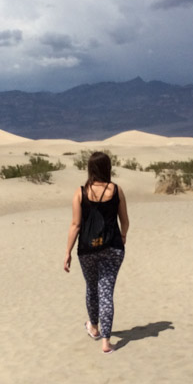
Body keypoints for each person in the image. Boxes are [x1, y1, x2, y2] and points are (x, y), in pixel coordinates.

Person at [63, 151, 129, 354]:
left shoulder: (80, 193)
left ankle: (94, 327)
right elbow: (124, 221)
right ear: (107, 168)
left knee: (92, 288)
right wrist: (122, 238)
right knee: (106, 292)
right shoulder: (116, 190)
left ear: (90, 169)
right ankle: (106, 343)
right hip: (112, 248)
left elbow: (75, 225)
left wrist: (67, 252)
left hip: (87, 249)